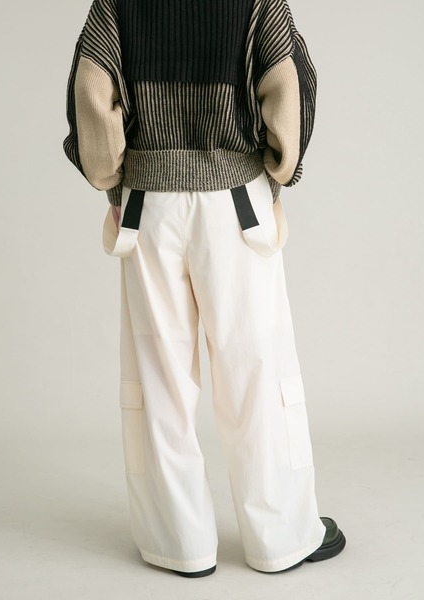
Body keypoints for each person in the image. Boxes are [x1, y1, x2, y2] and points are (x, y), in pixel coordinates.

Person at [63, 0, 346, 577]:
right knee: (255, 369)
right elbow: (286, 83)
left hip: (149, 204)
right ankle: (281, 538)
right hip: (236, 201)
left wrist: (111, 176)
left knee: (159, 377)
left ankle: (179, 543)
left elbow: (92, 86)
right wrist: (278, 168)